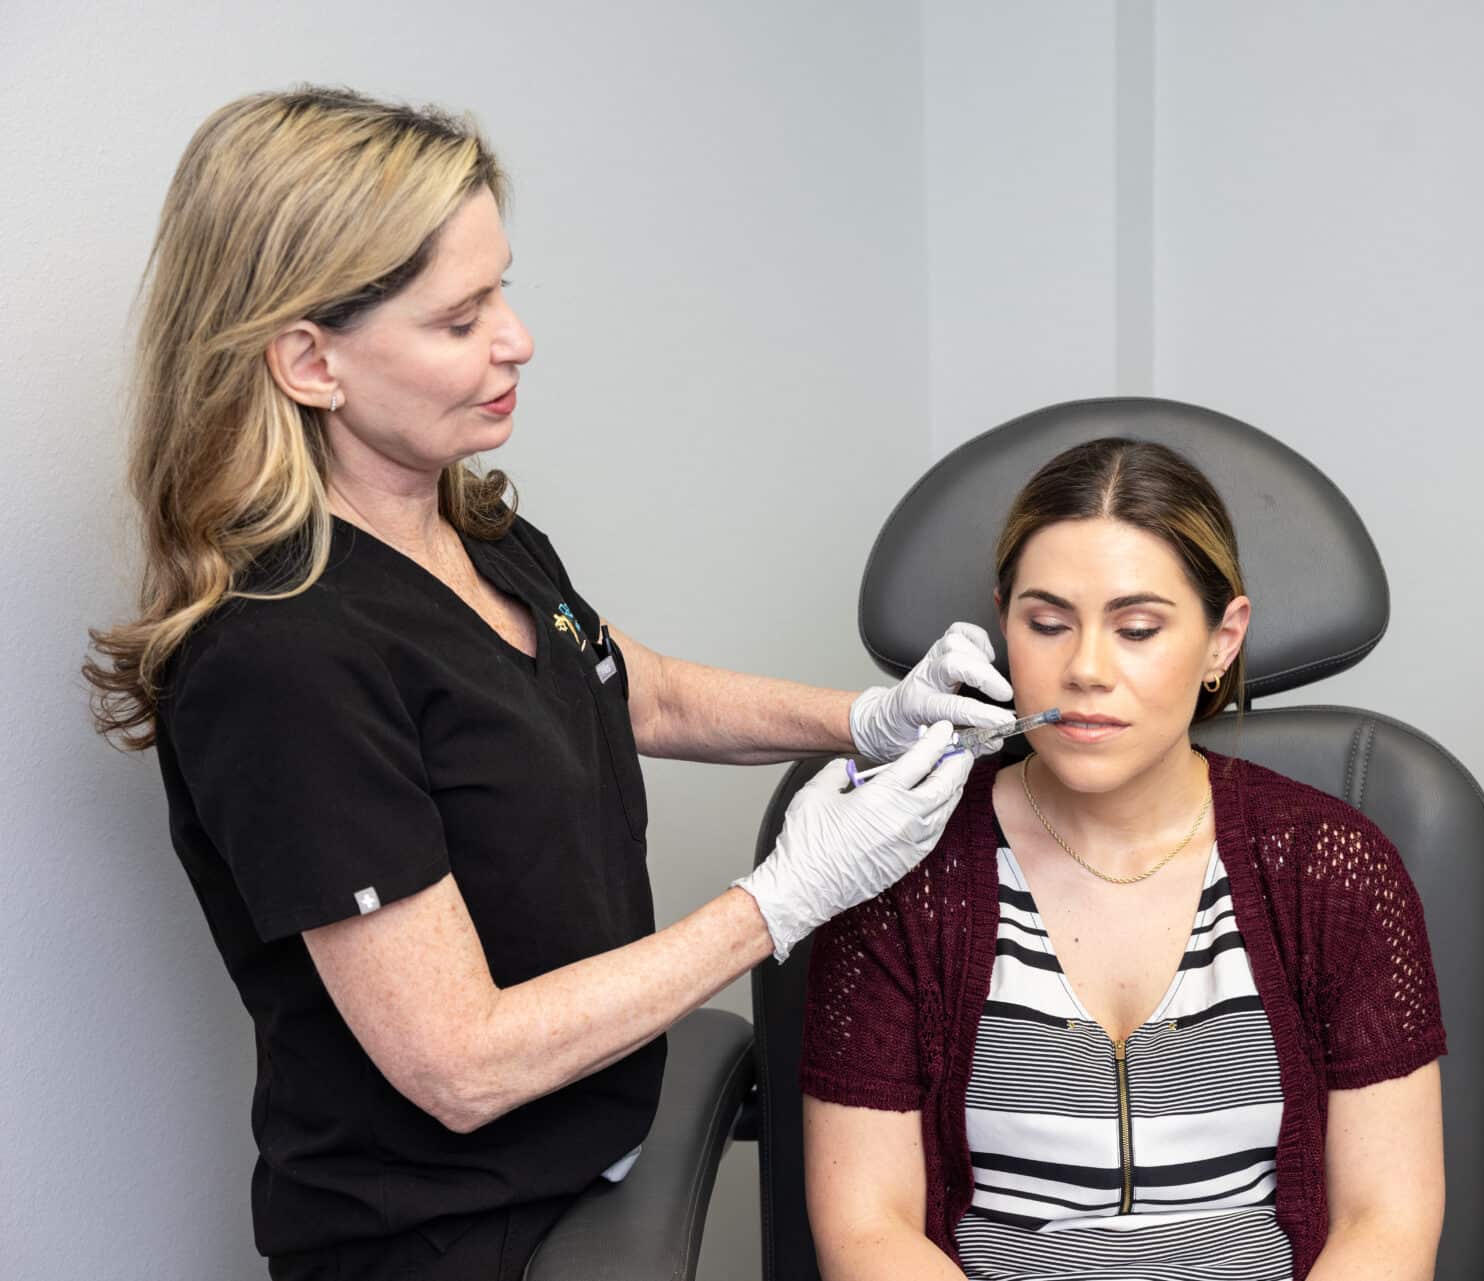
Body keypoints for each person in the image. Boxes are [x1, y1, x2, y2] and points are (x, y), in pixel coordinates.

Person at [83, 86, 1014, 1280]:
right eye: (460, 318)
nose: (514, 339)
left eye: (502, 290)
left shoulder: (461, 526)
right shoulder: (283, 663)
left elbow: (629, 689)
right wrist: (782, 900)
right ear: (309, 360)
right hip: (448, 1238)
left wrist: (868, 716)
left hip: (591, 1145)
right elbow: (459, 1064)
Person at [800, 438, 1449, 1281]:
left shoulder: (1332, 867)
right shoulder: (901, 869)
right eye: (1045, 623)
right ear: (1003, 623)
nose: (1084, 670)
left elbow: (1385, 1222)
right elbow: (865, 1230)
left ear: (1223, 640)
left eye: (1137, 628)